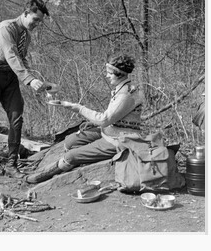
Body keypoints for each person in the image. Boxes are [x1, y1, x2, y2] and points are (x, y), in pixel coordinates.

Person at [0, 0, 52, 180]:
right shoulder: (5, 28)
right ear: (25, 13)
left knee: (16, 119)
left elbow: (22, 59)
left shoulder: (26, 35)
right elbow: (11, 55)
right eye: (35, 19)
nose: (36, 24)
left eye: (40, 22)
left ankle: (11, 165)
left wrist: (37, 80)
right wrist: (28, 79)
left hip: (10, 78)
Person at [25, 54, 143, 184]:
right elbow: (113, 118)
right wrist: (91, 121)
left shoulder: (126, 94)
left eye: (110, 73)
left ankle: (41, 176)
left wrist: (78, 108)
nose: (107, 76)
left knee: (71, 156)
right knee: (70, 142)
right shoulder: (120, 88)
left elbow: (105, 119)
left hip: (120, 140)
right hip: (110, 131)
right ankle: (80, 158)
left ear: (119, 74)